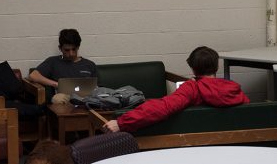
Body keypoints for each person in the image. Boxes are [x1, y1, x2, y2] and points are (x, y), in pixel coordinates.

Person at [103, 46, 250, 133]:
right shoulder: (235, 90)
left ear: (193, 69)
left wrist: (122, 123)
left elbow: (161, 108)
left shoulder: (193, 89)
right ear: (216, 67)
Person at [29, 29, 97, 103]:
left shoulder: (89, 65)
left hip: (86, 103)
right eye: (67, 50)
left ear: (78, 47)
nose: (71, 53)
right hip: (63, 103)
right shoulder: (53, 62)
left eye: (74, 49)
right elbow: (33, 75)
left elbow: (98, 88)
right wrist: (58, 85)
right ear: (60, 48)